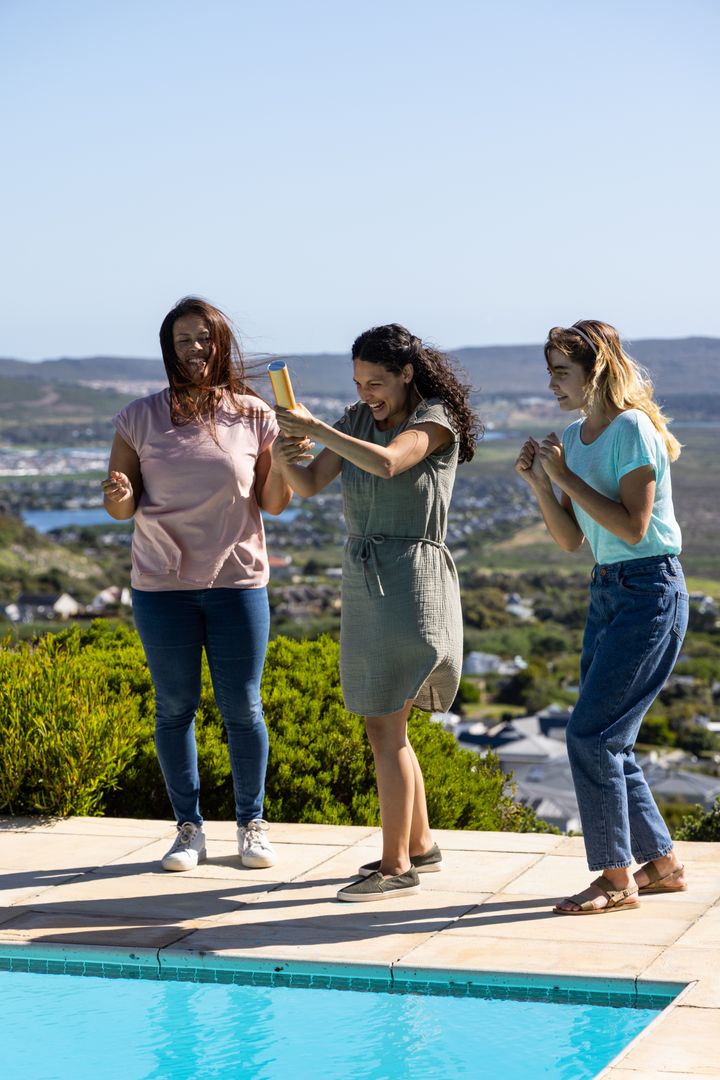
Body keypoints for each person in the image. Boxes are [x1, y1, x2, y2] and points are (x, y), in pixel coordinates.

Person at [273, 323, 479, 901]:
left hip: (410, 577)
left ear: (407, 374)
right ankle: (418, 846)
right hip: (366, 577)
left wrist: (318, 428)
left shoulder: (434, 420)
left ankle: (394, 870)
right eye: (360, 382)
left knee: (384, 722)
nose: (367, 394)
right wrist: (285, 450)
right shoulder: (356, 418)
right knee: (389, 724)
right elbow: (310, 484)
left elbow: (391, 464)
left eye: (377, 382)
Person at [102, 296, 301, 872]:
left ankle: (251, 824)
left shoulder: (256, 415)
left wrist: (285, 462)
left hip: (238, 580)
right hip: (160, 584)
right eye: (184, 339)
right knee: (175, 708)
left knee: (243, 707)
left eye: (205, 338)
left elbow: (272, 503)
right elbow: (123, 504)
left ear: (222, 344)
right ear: (169, 347)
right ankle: (188, 830)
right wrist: (117, 499)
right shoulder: (137, 417)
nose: (196, 348)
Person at [515, 320, 689, 914]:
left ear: (596, 371)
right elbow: (572, 540)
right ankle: (662, 864)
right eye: (550, 371)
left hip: (650, 591)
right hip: (607, 590)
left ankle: (617, 879)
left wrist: (563, 475)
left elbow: (634, 528)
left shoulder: (632, 429)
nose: (552, 382)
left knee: (591, 735)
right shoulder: (573, 435)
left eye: (561, 371)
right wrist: (542, 484)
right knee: (610, 740)